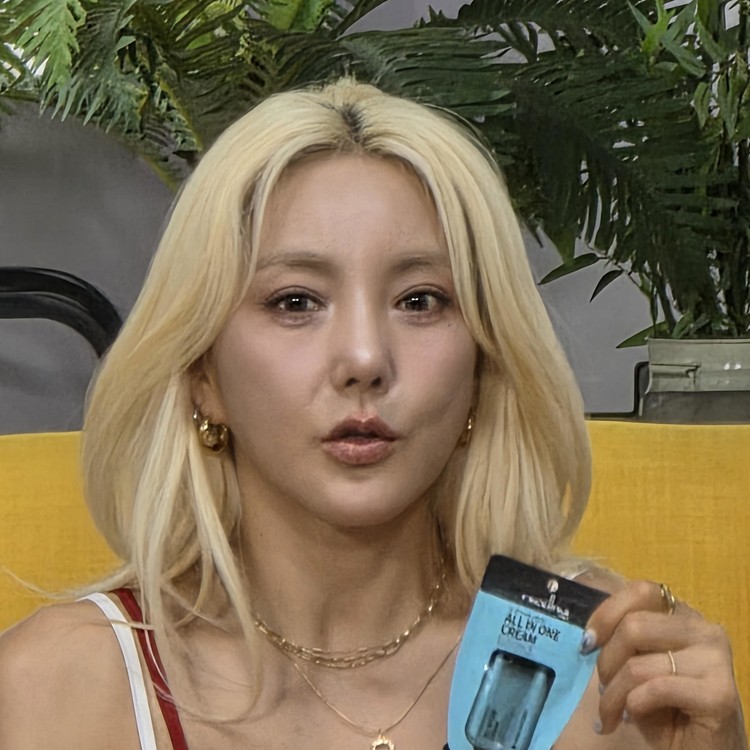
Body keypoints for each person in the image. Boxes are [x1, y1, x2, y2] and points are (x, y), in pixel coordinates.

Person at [0, 79, 745, 750]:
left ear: (484, 367)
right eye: (296, 301)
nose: (364, 358)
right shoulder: (49, 692)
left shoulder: (608, 676)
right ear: (203, 377)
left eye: (420, 300)